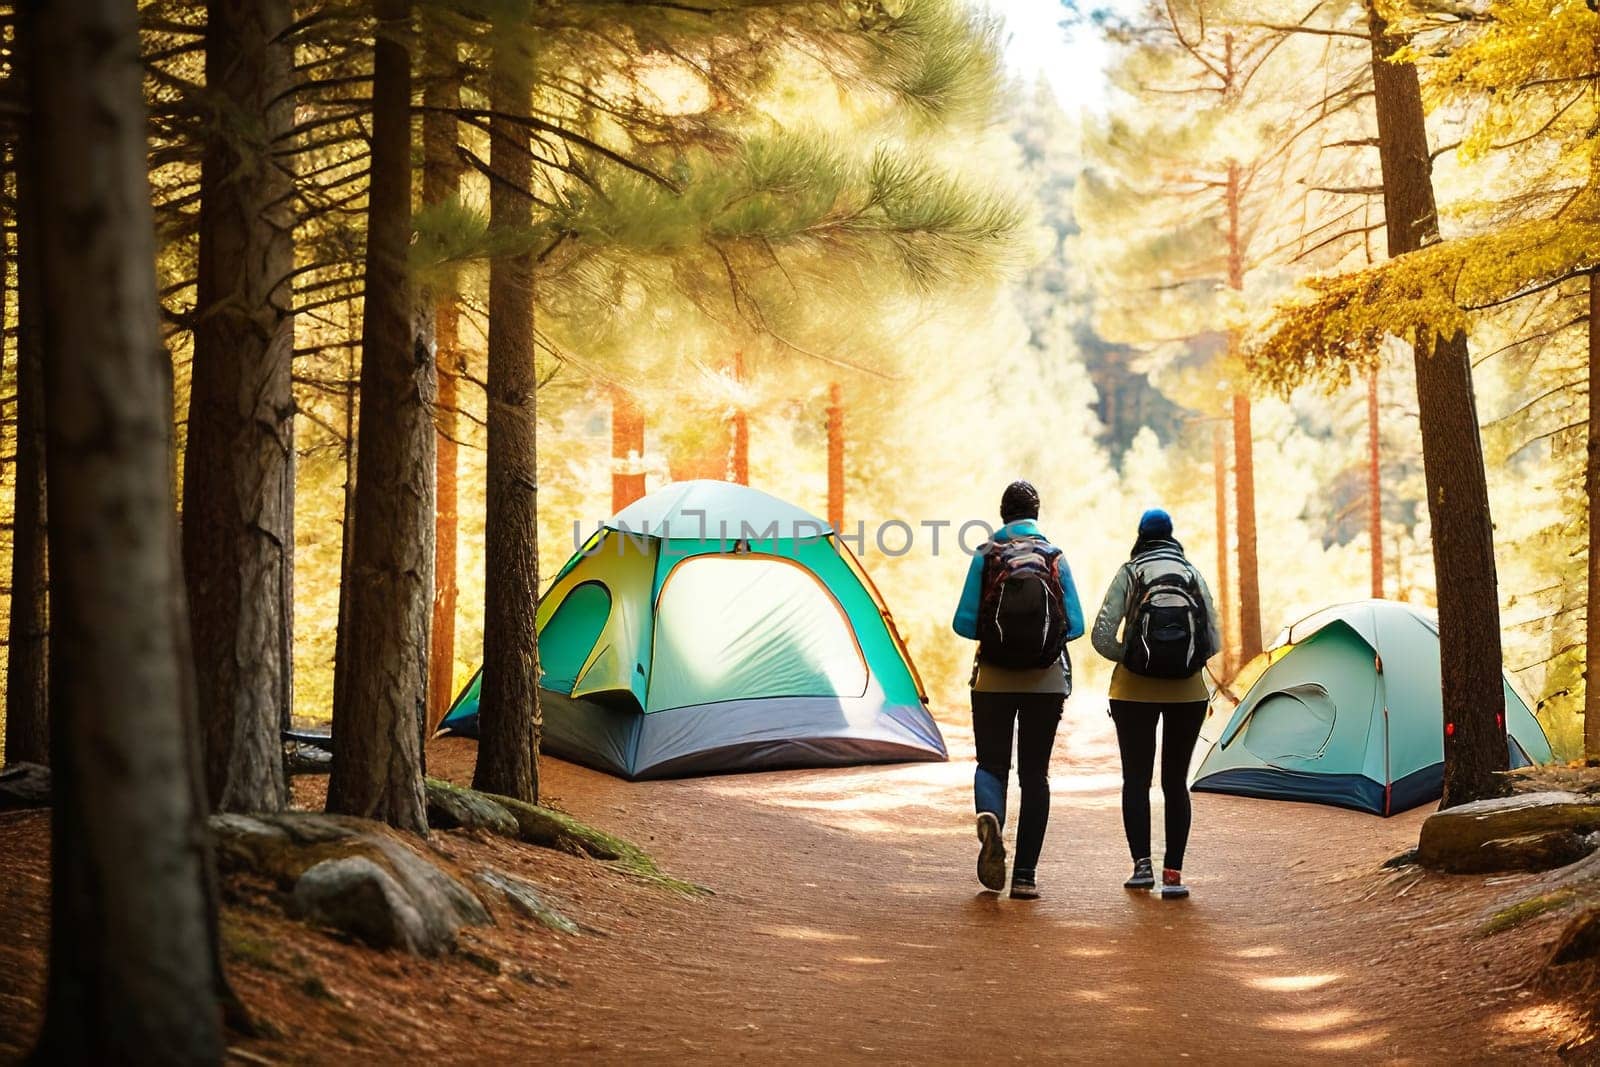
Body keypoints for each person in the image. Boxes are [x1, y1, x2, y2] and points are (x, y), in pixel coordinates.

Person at [952, 480, 1084, 900]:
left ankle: (990, 814)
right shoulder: (1054, 557)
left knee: (992, 765)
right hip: (1046, 683)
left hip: (992, 679)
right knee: (1035, 776)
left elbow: (963, 623)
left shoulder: (987, 555)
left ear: (1003, 513)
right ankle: (1025, 876)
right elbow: (1076, 626)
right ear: (1036, 514)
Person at [1091, 508, 1221, 900]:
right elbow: (1214, 638)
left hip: (1132, 692)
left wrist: (1133, 657)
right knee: (1174, 783)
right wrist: (1183, 662)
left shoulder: (1131, 572)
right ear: (1171, 535)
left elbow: (1100, 636)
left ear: (1140, 535)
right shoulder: (1192, 574)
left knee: (1136, 780)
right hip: (1188, 693)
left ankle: (1141, 867)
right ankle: (1174, 874)